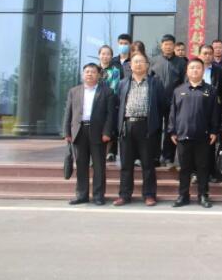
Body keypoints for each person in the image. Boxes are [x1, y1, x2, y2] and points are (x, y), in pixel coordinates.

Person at [114, 52, 166, 207]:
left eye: (141, 62)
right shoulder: (123, 83)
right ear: (130, 65)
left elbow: (163, 105)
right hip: (127, 126)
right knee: (126, 164)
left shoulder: (155, 83)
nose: (138, 64)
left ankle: (149, 195)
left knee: (148, 164)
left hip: (146, 127)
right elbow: (118, 105)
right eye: (135, 62)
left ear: (147, 65)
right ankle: (124, 195)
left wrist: (157, 125)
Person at [168, 58, 221, 208]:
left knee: (203, 167)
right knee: (184, 168)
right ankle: (183, 195)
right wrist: (172, 131)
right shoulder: (179, 90)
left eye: (198, 68)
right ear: (187, 71)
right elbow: (173, 113)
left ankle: (203, 195)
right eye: (192, 68)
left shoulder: (210, 90)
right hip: (183, 135)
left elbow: (215, 113)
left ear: (203, 71)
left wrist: (214, 131)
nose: (195, 70)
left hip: (203, 136)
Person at [62, 63, 114, 205]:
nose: (89, 74)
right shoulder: (74, 91)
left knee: (99, 166)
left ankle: (98, 196)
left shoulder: (107, 92)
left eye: (93, 72)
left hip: (98, 132)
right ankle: (81, 195)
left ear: (98, 75)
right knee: (81, 165)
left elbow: (110, 115)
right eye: (87, 72)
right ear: (83, 74)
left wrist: (107, 132)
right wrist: (67, 132)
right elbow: (68, 112)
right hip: (79, 131)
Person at [151, 34, 187, 168]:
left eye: (170, 44)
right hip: (156, 100)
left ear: (174, 46)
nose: (168, 47)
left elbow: (184, 82)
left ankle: (168, 157)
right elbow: (149, 80)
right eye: (165, 44)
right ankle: (154, 156)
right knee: (155, 128)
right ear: (161, 46)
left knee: (170, 129)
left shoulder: (181, 62)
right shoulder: (154, 61)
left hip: (173, 100)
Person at [199, 44, 222, 182]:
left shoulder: (219, 71)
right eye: (204, 53)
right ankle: (195, 173)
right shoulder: (193, 68)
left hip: (213, 110)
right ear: (199, 55)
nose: (207, 56)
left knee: (211, 143)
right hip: (196, 110)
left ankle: (211, 173)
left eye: (210, 53)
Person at [98, 45, 122, 163]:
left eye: (108, 54)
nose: (105, 56)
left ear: (111, 56)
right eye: (103, 53)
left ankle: (111, 152)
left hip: (110, 101)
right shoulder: (94, 70)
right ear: (99, 55)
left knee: (111, 127)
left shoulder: (115, 71)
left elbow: (114, 88)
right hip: (96, 103)